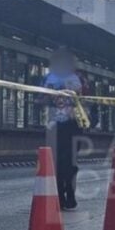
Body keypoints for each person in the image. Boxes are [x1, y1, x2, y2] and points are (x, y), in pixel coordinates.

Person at [42, 48, 84, 210]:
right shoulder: (48, 78)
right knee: (56, 163)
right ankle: (59, 196)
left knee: (70, 163)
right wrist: (49, 96)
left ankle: (70, 193)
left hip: (73, 125)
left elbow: (83, 99)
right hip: (54, 125)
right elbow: (41, 98)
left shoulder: (78, 79)